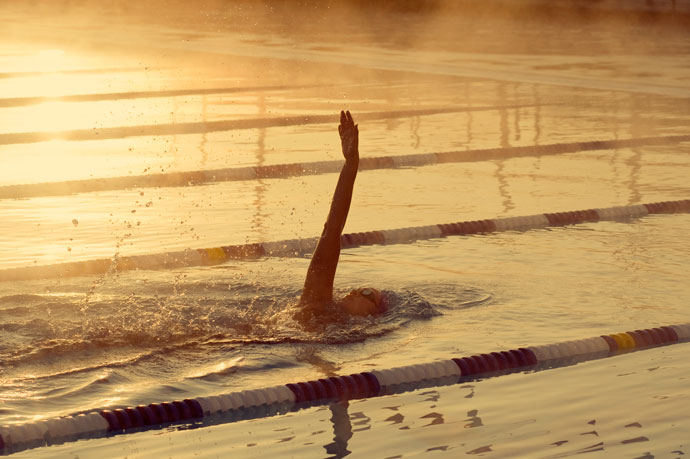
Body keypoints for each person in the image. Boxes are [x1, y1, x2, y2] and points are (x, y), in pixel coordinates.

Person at [294, 111, 387, 325]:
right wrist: (351, 164)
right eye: (360, 289)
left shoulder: (329, 316)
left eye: (366, 293)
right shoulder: (317, 300)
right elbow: (332, 230)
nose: (356, 291)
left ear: (372, 314)